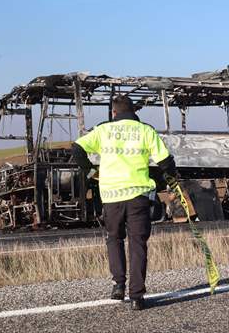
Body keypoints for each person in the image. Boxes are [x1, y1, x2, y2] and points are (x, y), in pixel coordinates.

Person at [71, 95, 176, 311]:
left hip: (111, 197)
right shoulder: (146, 131)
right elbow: (165, 160)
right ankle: (137, 297)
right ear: (134, 112)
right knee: (137, 243)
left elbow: (77, 149)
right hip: (138, 195)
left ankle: (118, 285)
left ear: (114, 112)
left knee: (114, 238)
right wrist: (172, 180)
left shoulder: (103, 130)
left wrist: (90, 172)